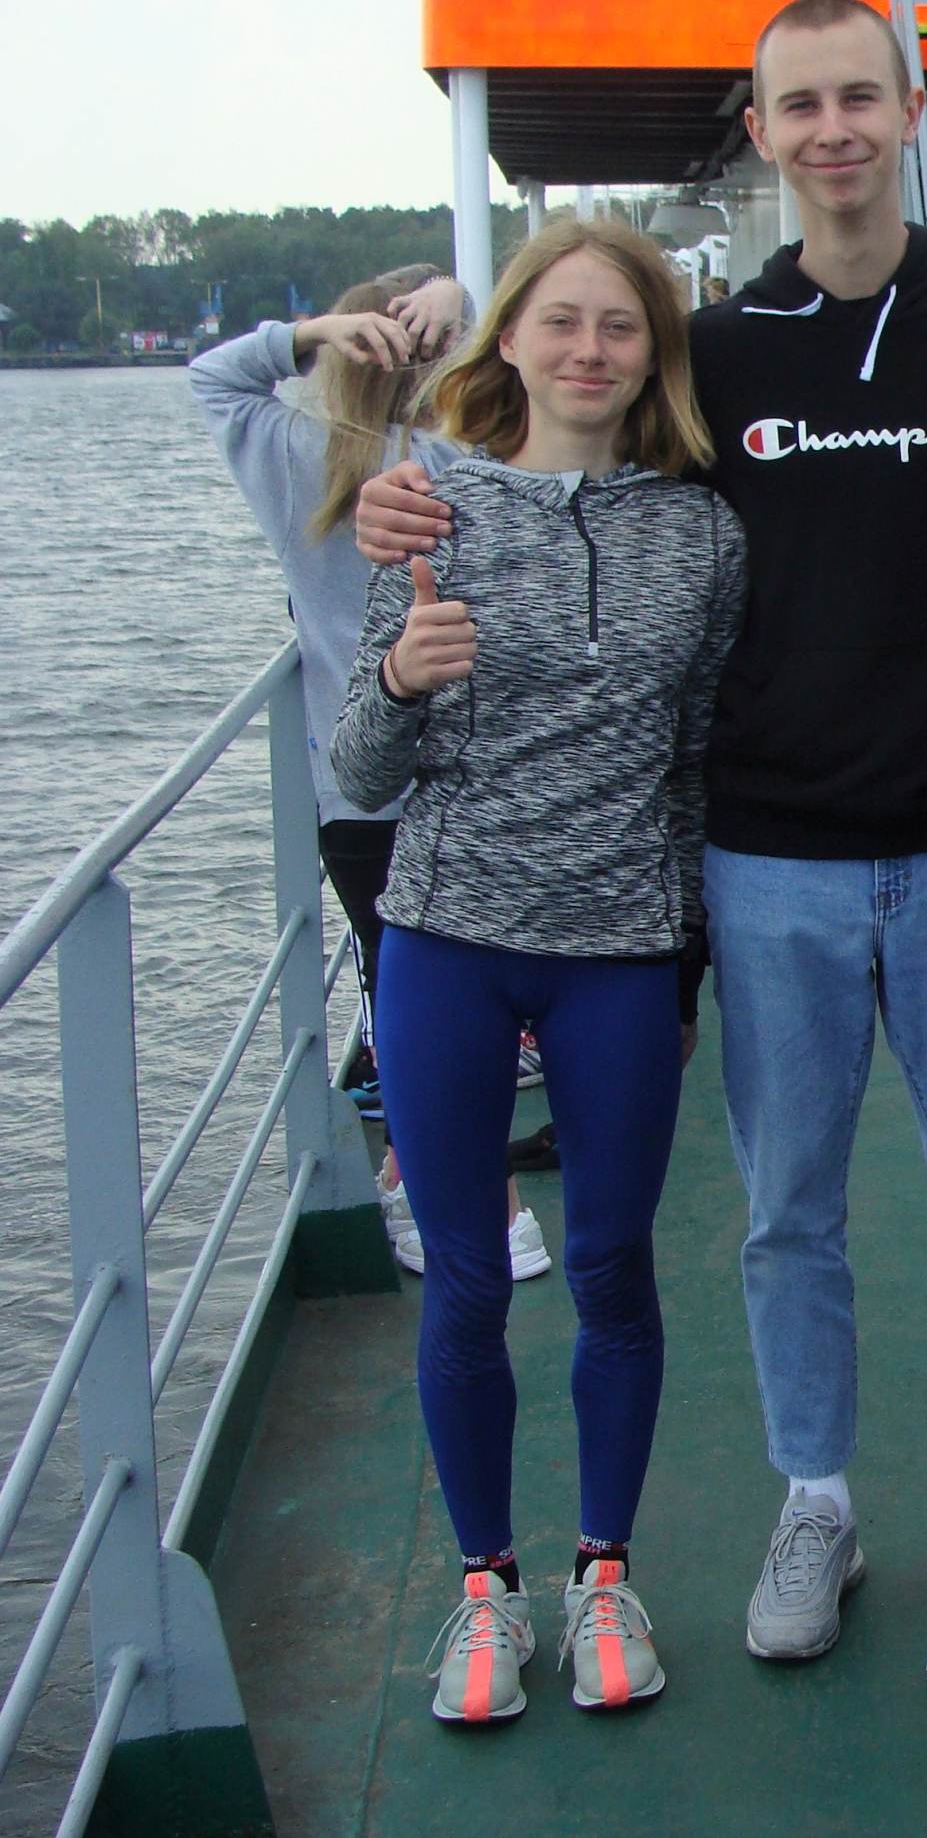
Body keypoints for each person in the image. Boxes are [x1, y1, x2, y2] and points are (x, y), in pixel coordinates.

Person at [358, 0, 927, 1664]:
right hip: (768, 852)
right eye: (797, 105)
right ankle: (814, 1497)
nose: (831, 131)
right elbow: (566, 443)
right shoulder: (719, 350)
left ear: (908, 110)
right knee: (786, 1203)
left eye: (857, 98)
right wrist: (409, 476)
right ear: (759, 132)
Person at [332, 217, 746, 1724]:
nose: (588, 349)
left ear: (654, 353)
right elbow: (360, 770)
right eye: (561, 320)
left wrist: (682, 963)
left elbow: (691, 763)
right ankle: (485, 1585)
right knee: (463, 1280)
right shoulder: (424, 506)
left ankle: (603, 1571)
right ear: (508, 335)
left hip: (617, 955)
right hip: (446, 942)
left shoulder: (703, 536)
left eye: (619, 326)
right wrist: (398, 677)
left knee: (611, 1267)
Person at [187, 266, 553, 1284]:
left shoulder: (292, 456)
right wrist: (457, 301)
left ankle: (418, 1172)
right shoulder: (467, 459)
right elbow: (542, 383)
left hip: (361, 789)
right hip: (459, 777)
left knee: (413, 990)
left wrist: (311, 333)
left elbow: (215, 376)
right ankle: (461, 1188)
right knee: (456, 994)